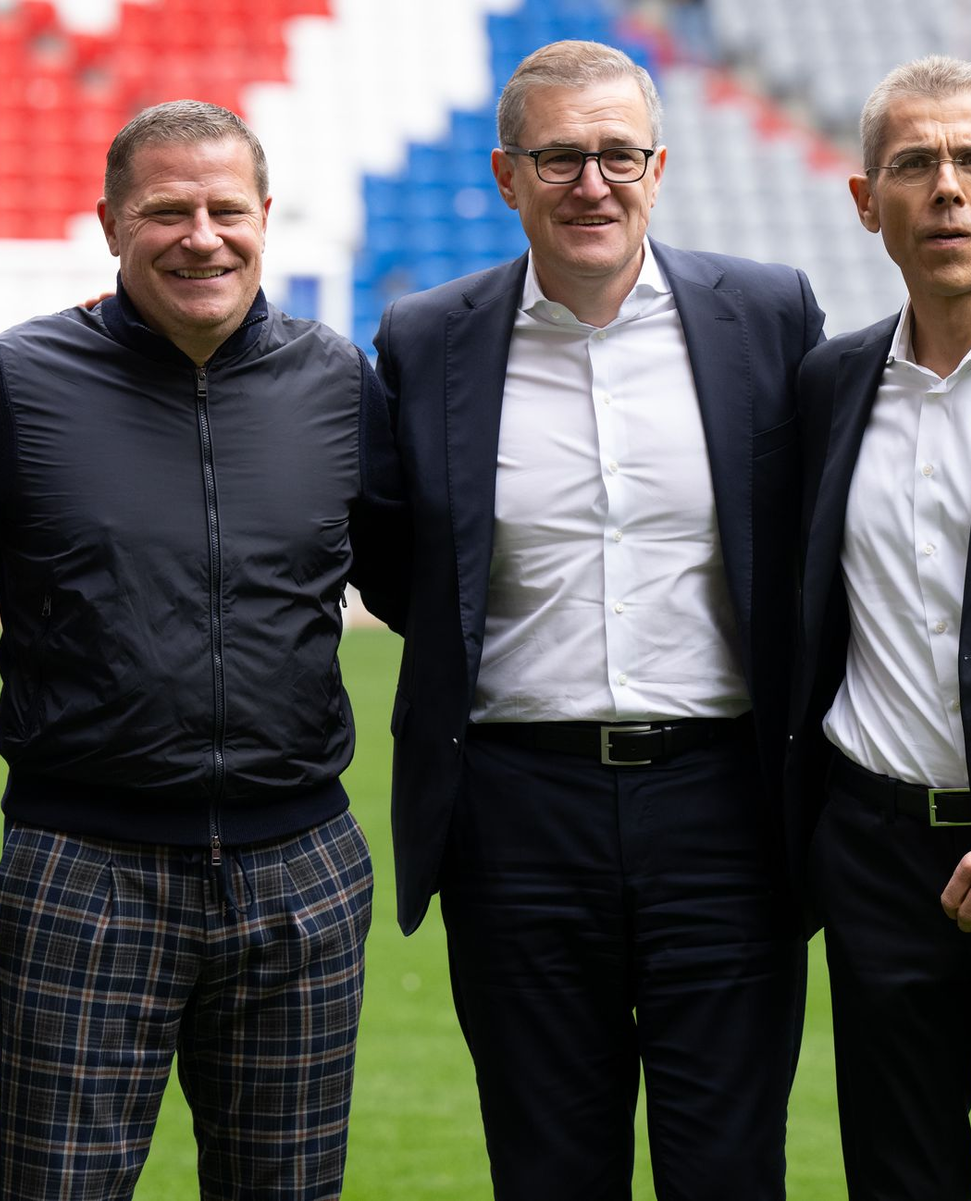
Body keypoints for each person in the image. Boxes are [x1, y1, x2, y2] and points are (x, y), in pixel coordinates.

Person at [359, 40, 824, 1199]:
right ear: (507, 176)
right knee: (548, 1168)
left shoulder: (768, 314)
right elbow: (396, 565)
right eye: (559, 156)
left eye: (618, 154)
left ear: (659, 168)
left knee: (729, 1168)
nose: (592, 183)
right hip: (516, 812)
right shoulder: (428, 337)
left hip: (725, 806)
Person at [0, 100, 389, 1201]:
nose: (201, 237)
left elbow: (421, 582)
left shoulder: (340, 383)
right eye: (166, 211)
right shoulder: (12, 382)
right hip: (85, 865)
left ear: (266, 216)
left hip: (303, 867)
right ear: (110, 223)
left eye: (227, 209)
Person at [788, 54, 971, 1200]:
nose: (949, 187)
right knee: (900, 1177)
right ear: (866, 201)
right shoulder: (830, 384)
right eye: (915, 164)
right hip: (877, 857)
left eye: (970, 160)